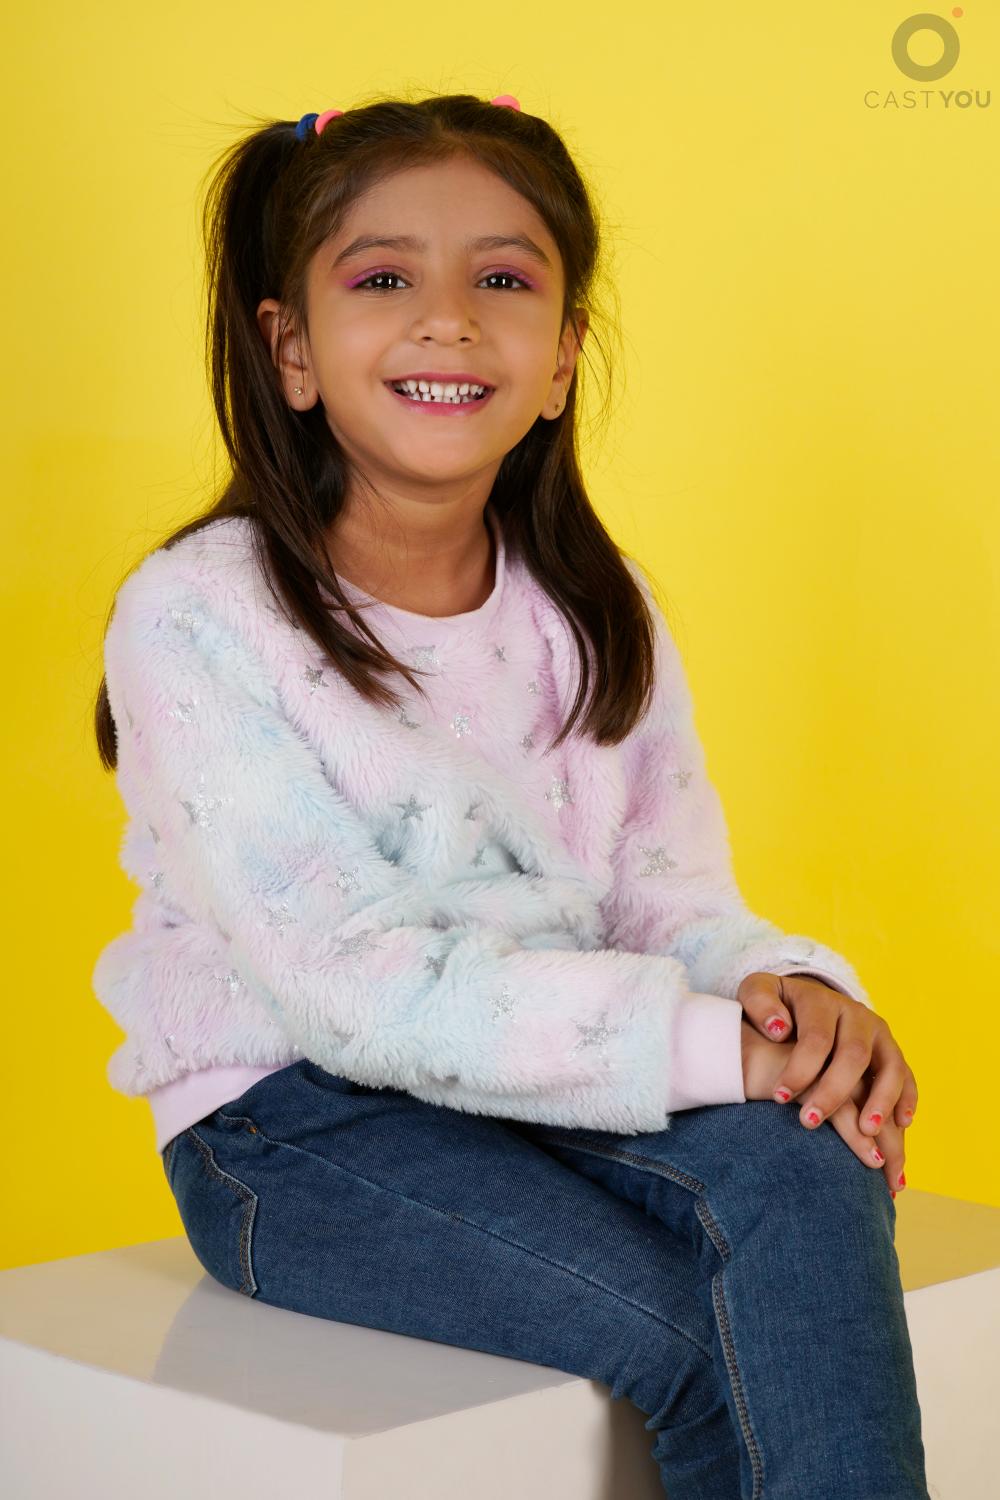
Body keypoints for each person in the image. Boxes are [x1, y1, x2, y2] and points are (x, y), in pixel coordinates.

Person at [91, 93, 929, 1497]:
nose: (448, 320)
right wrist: (712, 1049)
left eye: (502, 280)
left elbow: (663, 896)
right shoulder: (196, 615)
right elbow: (352, 985)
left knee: (811, 1160)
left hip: (541, 1081)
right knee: (696, 1336)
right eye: (382, 280)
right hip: (296, 1121)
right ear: (290, 350)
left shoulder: (598, 608)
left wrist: (789, 1001)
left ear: (563, 358)